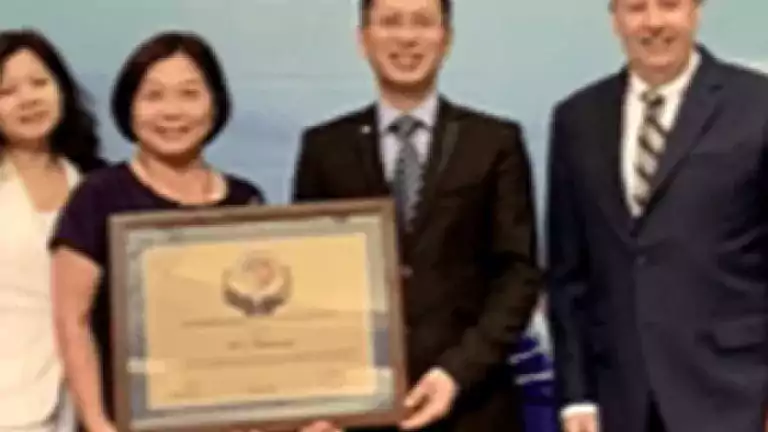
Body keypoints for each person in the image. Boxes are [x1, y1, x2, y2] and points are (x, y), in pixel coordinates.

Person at [292, 0, 542, 431]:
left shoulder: (494, 142)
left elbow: (517, 276)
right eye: (390, 22)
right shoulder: (324, 148)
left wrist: (456, 373)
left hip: (474, 403)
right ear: (363, 39)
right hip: (362, 412)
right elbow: (312, 282)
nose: (406, 37)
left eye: (422, 23)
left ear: (446, 38)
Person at [546, 1, 768, 432]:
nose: (653, 23)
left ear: (695, 11)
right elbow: (568, 275)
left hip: (735, 393)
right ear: (615, 19)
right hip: (620, 400)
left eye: (669, 5)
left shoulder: (758, 106)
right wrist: (576, 398)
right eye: (635, 8)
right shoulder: (577, 119)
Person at [47, 31, 271, 432]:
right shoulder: (99, 194)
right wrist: (97, 421)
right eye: (153, 96)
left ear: (215, 104)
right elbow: (71, 320)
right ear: (129, 108)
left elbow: (262, 324)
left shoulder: (246, 199)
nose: (172, 112)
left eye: (189, 94)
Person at [0, 29, 106, 432]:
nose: (28, 99)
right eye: (6, 91)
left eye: (40, 83)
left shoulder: (97, 182)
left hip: (90, 397)